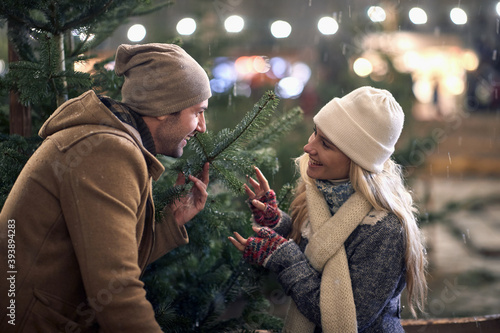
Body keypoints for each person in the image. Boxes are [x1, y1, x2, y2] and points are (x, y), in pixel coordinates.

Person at [0, 43, 211, 332]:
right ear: (163, 109)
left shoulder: (117, 144)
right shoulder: (107, 151)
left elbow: (107, 260)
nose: (202, 126)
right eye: (197, 112)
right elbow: (116, 291)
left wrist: (171, 222)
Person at [229, 86, 428, 332]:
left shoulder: (385, 230)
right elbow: (319, 249)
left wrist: (285, 258)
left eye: (325, 144)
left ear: (356, 160)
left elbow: (344, 319)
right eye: (315, 133)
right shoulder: (319, 193)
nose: (308, 147)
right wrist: (275, 222)